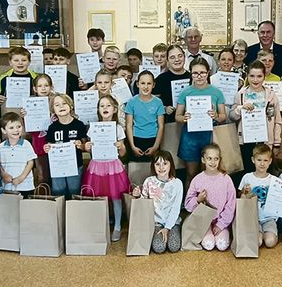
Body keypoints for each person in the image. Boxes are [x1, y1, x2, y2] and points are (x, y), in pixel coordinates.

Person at [83, 94, 130, 242]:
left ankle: (117, 226)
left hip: (113, 166)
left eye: (108, 105)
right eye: (102, 106)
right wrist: (87, 147)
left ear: (114, 109)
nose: (105, 108)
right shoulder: (93, 128)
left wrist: (120, 146)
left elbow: (122, 153)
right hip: (97, 166)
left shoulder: (118, 129)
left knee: (116, 197)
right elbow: (90, 150)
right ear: (98, 110)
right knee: (98, 196)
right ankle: (100, 223)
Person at [175, 58, 226, 189]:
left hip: (209, 136)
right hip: (190, 137)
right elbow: (177, 116)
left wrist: (216, 116)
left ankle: (209, 203)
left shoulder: (217, 92)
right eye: (195, 73)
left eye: (202, 72)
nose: (199, 76)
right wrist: (184, 117)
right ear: (191, 74)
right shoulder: (185, 92)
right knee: (191, 173)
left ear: (208, 72)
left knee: (210, 172)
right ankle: (189, 204)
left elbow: (223, 116)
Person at [230, 60, 282, 173]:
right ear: (247, 76)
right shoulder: (241, 94)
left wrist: (277, 142)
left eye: (259, 76)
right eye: (252, 76)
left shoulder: (271, 95)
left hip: (265, 140)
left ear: (264, 77)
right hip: (246, 141)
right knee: (248, 171)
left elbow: (277, 120)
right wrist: (240, 108)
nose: (255, 80)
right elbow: (232, 116)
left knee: (264, 171)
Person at [184, 143, 236, 251]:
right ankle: (208, 233)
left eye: (216, 159)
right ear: (203, 160)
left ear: (219, 160)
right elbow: (188, 205)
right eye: (209, 158)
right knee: (209, 244)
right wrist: (198, 200)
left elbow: (231, 204)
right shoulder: (197, 180)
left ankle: (224, 232)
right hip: (203, 222)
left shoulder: (226, 179)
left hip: (222, 221)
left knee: (221, 245)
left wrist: (221, 225)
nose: (213, 162)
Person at [132, 150, 183, 253]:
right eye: (157, 164)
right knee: (159, 247)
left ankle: (170, 232)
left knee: (174, 246)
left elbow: (176, 208)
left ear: (170, 165)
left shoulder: (177, 183)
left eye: (165, 163)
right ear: (153, 166)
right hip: (155, 223)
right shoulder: (149, 181)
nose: (161, 167)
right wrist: (137, 196)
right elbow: (144, 203)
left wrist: (167, 228)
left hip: (173, 223)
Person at [44, 94, 87, 199]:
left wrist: (80, 145)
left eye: (64, 103)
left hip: (75, 165)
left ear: (71, 106)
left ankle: (74, 214)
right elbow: (49, 145)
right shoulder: (52, 128)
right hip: (57, 166)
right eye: (57, 105)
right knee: (58, 192)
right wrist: (47, 148)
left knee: (74, 191)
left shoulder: (79, 125)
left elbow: (84, 146)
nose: (61, 107)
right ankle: (59, 214)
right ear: (53, 109)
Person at [238, 144, 278, 248]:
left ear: (270, 161)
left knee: (270, 242)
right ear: (253, 160)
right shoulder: (247, 177)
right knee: (257, 242)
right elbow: (241, 199)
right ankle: (259, 234)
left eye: (265, 160)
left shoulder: (274, 180)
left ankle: (268, 234)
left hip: (269, 218)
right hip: (253, 217)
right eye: (259, 160)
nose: (262, 163)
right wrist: (244, 193)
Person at [125, 71, 165, 162]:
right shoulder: (131, 102)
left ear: (153, 85)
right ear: (137, 84)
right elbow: (129, 125)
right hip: (135, 139)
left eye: (149, 83)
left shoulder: (158, 102)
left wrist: (155, 146)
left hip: (153, 139)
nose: (146, 87)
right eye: (143, 83)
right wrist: (132, 146)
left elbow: (161, 126)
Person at [0, 112, 36, 198]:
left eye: (19, 127)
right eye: (11, 128)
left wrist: (21, 177)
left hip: (25, 185)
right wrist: (4, 175)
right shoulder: (0, 147)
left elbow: (30, 162)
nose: (16, 130)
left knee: (25, 208)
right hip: (7, 186)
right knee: (10, 208)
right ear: (3, 130)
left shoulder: (26, 144)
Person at [23, 73, 54, 185]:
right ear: (35, 89)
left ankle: (58, 199)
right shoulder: (30, 104)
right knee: (42, 175)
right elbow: (29, 129)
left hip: (55, 143)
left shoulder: (56, 102)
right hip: (39, 143)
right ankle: (44, 198)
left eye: (46, 85)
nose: (43, 88)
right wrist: (25, 117)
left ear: (51, 87)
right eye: (40, 86)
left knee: (56, 173)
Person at [153, 44, 191, 124]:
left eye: (180, 56)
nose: (177, 60)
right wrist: (164, 108)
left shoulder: (192, 77)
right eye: (172, 57)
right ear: (167, 60)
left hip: (190, 121)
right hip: (168, 123)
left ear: (184, 57)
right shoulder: (161, 79)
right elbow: (151, 101)